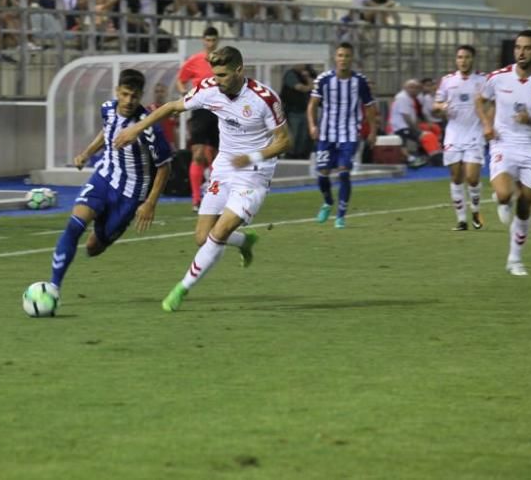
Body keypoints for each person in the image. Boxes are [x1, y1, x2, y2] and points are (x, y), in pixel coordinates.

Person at [116, 46, 290, 312]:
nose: (216, 81)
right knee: (202, 237)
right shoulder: (208, 88)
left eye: (222, 75)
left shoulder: (264, 99)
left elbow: (284, 141)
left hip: (254, 173)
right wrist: (136, 128)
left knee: (218, 233)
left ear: (239, 70)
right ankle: (245, 241)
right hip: (224, 167)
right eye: (215, 74)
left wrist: (252, 157)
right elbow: (173, 106)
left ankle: (180, 289)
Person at [47, 69, 173, 293]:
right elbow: (106, 132)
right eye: (124, 94)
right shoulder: (107, 109)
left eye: (134, 96)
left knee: (93, 248)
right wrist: (86, 153)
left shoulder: (149, 127)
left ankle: (106, 225)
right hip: (104, 177)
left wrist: (150, 203)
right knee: (74, 226)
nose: (128, 101)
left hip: (131, 194)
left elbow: (164, 166)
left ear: (140, 96)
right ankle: (53, 288)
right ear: (117, 91)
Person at [476, 30, 531, 277]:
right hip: (504, 143)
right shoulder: (498, 78)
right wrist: (487, 125)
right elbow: (481, 100)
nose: (521, 52)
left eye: (527, 48)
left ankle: (515, 258)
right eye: (518, 47)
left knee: (525, 203)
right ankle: (501, 198)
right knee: (503, 193)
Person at [307, 42, 378, 229]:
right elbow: (312, 105)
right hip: (326, 134)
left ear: (351, 58)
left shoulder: (360, 81)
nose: (343, 59)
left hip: (349, 134)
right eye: (340, 55)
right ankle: (328, 202)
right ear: (335, 58)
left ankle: (340, 215)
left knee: (344, 172)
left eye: (347, 56)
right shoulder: (323, 80)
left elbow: (370, 107)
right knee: (322, 174)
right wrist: (312, 125)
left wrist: (373, 130)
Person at [432, 45, 487, 231]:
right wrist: (441, 107)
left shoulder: (483, 80)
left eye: (467, 57)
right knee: (456, 178)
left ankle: (476, 211)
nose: (463, 61)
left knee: (471, 178)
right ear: (456, 60)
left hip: (475, 133)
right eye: (460, 57)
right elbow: (435, 105)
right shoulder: (447, 81)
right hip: (453, 134)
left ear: (473, 59)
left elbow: (494, 102)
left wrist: (489, 123)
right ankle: (462, 220)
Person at [175, 26, 220, 212]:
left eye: (213, 40)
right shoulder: (194, 60)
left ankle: (215, 196)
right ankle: (196, 199)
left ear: (218, 40)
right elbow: (180, 80)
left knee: (217, 158)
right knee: (199, 153)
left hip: (219, 110)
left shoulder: (223, 60)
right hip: (200, 110)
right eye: (207, 40)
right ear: (203, 40)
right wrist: (184, 92)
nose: (210, 43)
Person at [280, 64, 315, 159]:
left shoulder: (309, 73)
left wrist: (307, 77)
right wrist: (310, 87)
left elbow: (314, 86)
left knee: (303, 137)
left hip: (305, 111)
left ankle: (300, 155)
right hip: (293, 111)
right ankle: (290, 155)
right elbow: (301, 88)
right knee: (294, 135)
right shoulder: (290, 74)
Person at [147, 82, 178, 148]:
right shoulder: (149, 110)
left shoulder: (171, 109)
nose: (159, 94)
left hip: (169, 145)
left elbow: (175, 131)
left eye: (162, 91)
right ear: (154, 93)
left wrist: (177, 147)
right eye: (157, 91)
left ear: (166, 93)